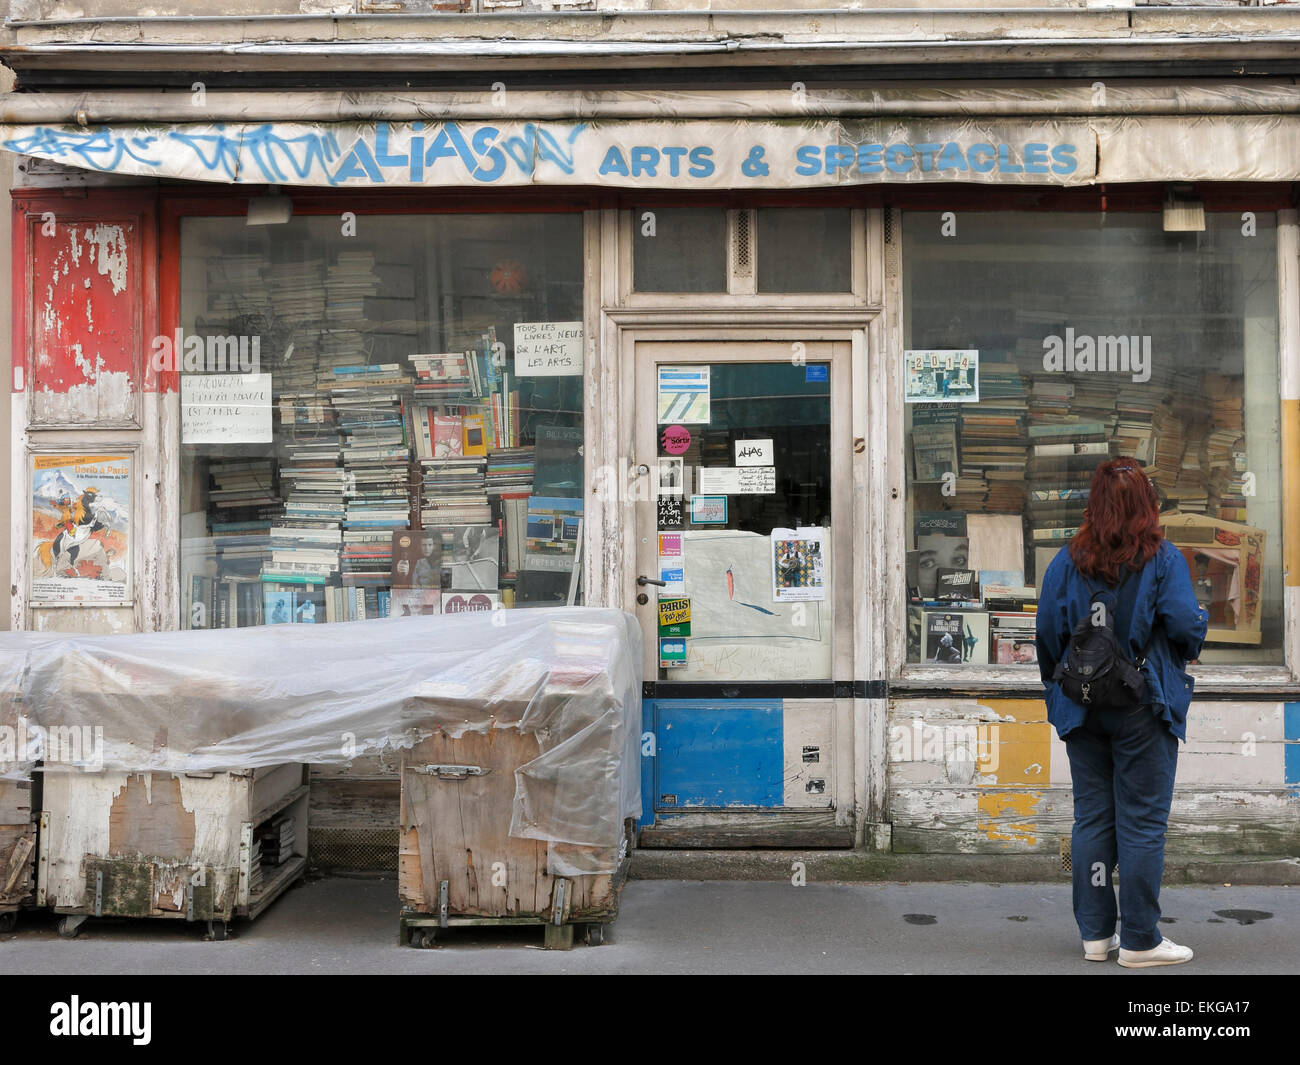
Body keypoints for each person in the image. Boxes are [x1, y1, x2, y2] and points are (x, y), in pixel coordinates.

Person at [1036, 459, 1207, 968]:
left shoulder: (1066, 560)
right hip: (1142, 706)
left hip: (1082, 710)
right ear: (1147, 507)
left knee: (1092, 818)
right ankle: (1140, 940)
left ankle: (1095, 935)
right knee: (1141, 824)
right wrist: (1196, 630)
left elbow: (1047, 635)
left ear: (1094, 504)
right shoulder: (1164, 558)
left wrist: (1060, 689)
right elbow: (1183, 625)